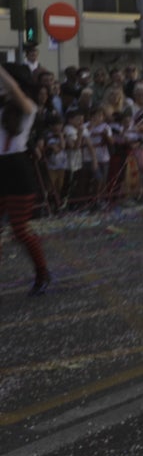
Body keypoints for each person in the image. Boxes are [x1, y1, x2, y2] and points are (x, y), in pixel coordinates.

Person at [0, 64, 51, 295]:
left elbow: (14, 90)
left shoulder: (28, 106)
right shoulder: (3, 107)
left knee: (19, 229)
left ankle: (42, 272)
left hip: (17, 169)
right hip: (2, 167)